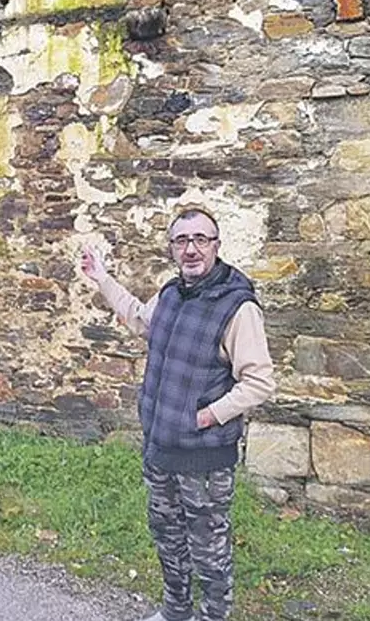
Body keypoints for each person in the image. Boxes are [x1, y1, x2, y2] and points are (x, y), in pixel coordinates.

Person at [79, 206, 276, 621]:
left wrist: (207, 416)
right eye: (182, 240)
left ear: (216, 245)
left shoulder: (237, 307)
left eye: (201, 239)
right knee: (168, 539)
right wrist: (102, 278)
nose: (191, 249)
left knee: (209, 549)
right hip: (161, 447)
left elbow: (259, 382)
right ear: (171, 248)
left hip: (203, 457)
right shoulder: (170, 294)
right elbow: (138, 319)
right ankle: (176, 612)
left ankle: (212, 616)